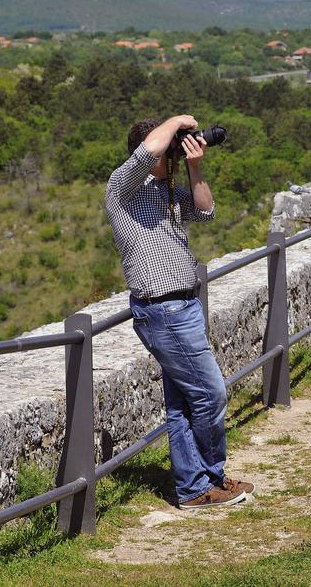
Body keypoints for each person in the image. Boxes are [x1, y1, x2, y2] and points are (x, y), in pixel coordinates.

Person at [106, 114, 255, 509]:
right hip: (163, 309)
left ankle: (195, 486)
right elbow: (149, 150)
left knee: (184, 404)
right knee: (211, 393)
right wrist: (175, 122)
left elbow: (206, 211)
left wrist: (194, 165)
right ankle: (210, 478)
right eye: (169, 148)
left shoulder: (166, 189)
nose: (170, 154)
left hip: (183, 305)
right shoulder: (122, 189)